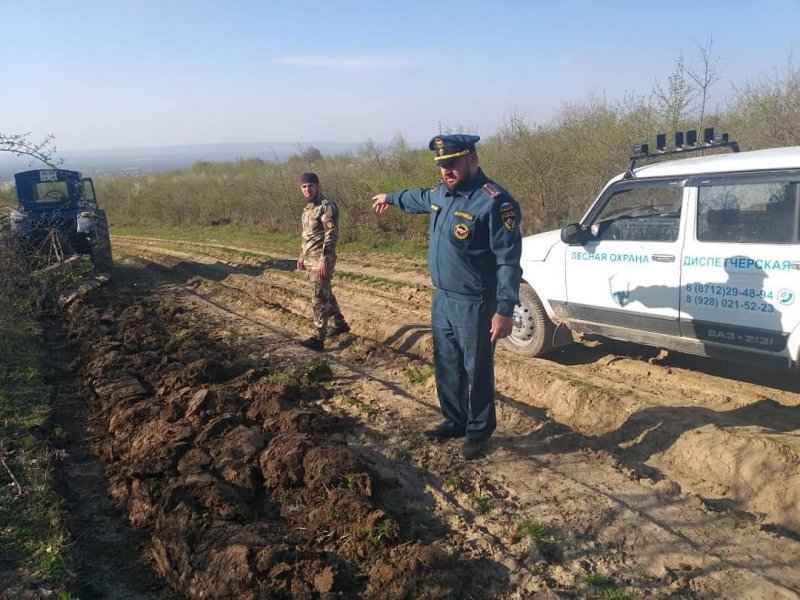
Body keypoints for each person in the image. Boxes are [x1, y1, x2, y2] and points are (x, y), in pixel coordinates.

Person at [372, 134, 522, 459]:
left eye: (452, 163)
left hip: (476, 304)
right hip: (443, 300)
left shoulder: (495, 202)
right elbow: (417, 198)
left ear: (472, 159)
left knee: (477, 369)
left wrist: (505, 309)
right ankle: (455, 419)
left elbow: (508, 261)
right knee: (447, 365)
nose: (446, 171)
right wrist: (390, 196)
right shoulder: (442, 193)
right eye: (442, 165)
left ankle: (479, 431)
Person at [297, 172, 350, 351]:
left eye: (310, 186)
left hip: (321, 259)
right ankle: (339, 323)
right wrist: (302, 256)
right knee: (325, 291)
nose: (307, 189)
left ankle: (318, 338)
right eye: (304, 186)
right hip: (310, 258)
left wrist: (324, 261)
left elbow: (331, 235)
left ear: (318, 186)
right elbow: (308, 235)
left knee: (318, 298)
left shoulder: (326, 207)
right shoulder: (308, 209)